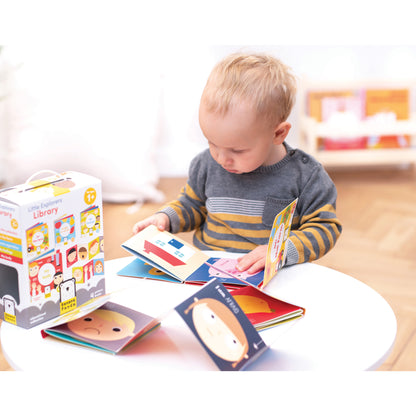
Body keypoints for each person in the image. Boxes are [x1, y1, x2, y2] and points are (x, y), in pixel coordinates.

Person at [132, 53, 342, 274]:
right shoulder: (206, 165)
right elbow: (191, 205)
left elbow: (324, 228)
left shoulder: (306, 176)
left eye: (237, 150)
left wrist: (280, 251)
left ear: (278, 133)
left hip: (271, 275)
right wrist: (165, 218)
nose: (222, 158)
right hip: (209, 272)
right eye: (212, 143)